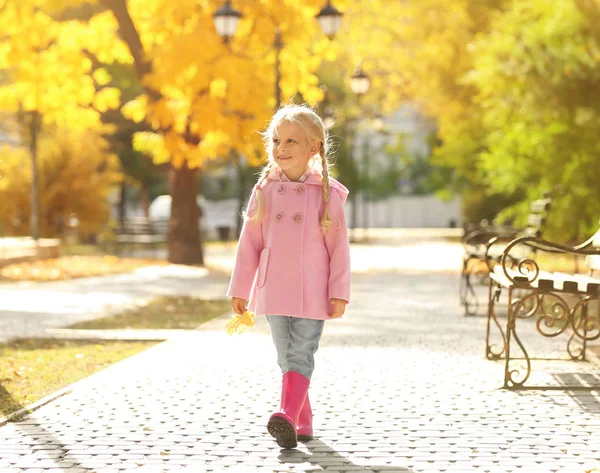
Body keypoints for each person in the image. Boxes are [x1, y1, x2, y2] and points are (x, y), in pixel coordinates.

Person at [227, 103, 351, 449]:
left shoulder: (327, 194)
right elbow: (249, 243)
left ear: (313, 148)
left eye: (291, 142)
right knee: (285, 355)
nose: (281, 149)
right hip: (274, 286)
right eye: (277, 141)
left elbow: (339, 247)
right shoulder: (265, 190)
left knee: (300, 354)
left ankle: (285, 413)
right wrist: (241, 289)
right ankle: (302, 420)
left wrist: (339, 291)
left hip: (313, 287)